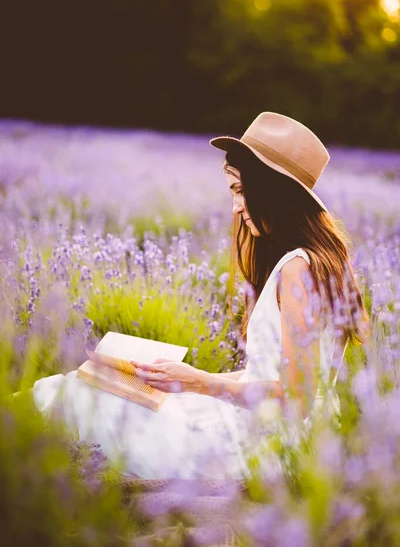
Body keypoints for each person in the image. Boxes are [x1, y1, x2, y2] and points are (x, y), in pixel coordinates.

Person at [32, 112, 369, 480]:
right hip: (268, 428)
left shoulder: (298, 269)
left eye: (240, 190)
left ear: (272, 190)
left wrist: (197, 382)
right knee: (82, 390)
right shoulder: (309, 263)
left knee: (80, 400)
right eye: (233, 192)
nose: (236, 207)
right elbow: (271, 376)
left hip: (261, 442)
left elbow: (297, 399)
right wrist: (189, 381)